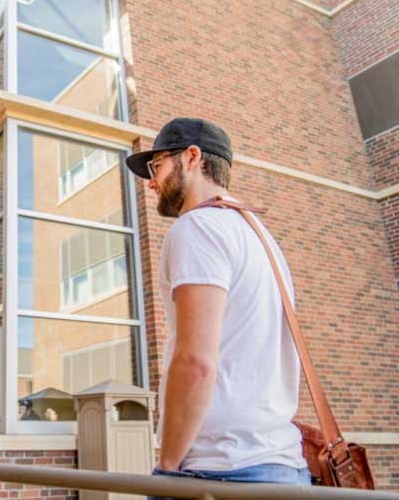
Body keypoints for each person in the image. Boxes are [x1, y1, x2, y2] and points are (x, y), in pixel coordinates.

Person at [125, 118, 309, 498]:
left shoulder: (198, 227)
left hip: (223, 471)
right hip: (282, 466)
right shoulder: (257, 234)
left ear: (192, 158)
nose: (151, 182)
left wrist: (168, 468)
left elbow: (195, 361)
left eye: (156, 166)